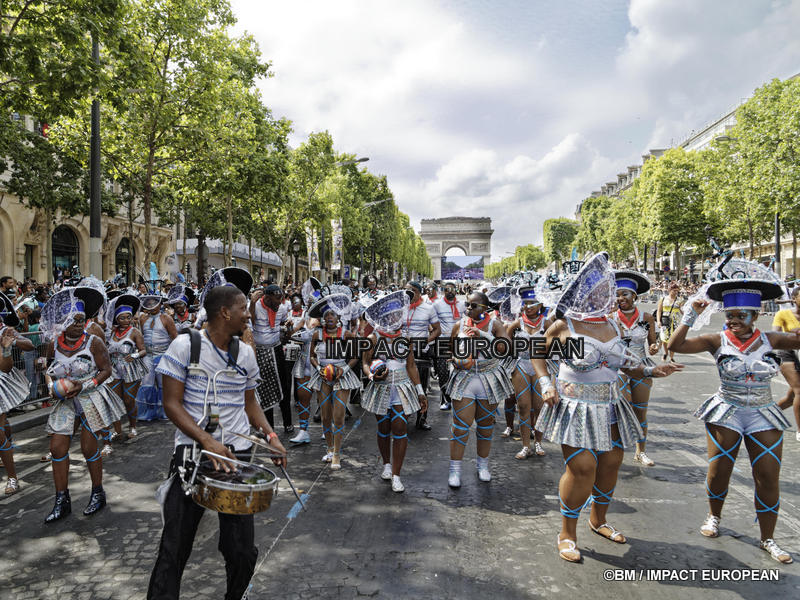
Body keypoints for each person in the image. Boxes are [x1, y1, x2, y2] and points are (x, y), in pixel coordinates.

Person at [533, 253, 681, 562]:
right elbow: (537, 352)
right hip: (574, 406)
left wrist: (652, 371)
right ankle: (567, 533)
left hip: (611, 404)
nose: (608, 296)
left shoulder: (611, 325)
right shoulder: (564, 324)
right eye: (602, 291)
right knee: (582, 467)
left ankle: (598, 520)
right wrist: (546, 384)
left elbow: (627, 364)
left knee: (612, 462)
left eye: (607, 291)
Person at [147, 284, 287, 600]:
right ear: (225, 312)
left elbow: (250, 403)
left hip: (236, 460)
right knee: (174, 548)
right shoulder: (184, 346)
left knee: (241, 552)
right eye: (243, 308)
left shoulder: (246, 353)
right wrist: (207, 440)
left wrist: (272, 436)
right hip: (193, 456)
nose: (249, 314)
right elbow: (171, 403)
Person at [668, 278, 797, 564]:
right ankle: (714, 516)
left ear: (756, 315)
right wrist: (691, 313)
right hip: (727, 411)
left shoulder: (770, 340)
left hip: (763, 412)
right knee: (719, 470)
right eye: (730, 315)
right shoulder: (716, 340)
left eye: (741, 315)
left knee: (767, 478)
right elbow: (675, 344)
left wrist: (796, 307)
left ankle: (768, 538)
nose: (734, 320)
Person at [40, 287, 126, 522]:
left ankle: (98, 493)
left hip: (90, 397)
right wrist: (50, 386)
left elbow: (106, 370)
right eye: (74, 320)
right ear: (63, 322)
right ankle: (61, 500)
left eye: (82, 319)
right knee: (57, 448)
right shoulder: (54, 344)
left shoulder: (94, 342)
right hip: (65, 401)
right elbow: (47, 368)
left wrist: (84, 385)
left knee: (89, 447)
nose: (79, 324)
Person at [361, 291, 427, 492]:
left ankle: (397, 475)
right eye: (390, 315)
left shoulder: (406, 338)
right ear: (384, 317)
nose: (394, 318)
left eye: (397, 314)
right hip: (380, 387)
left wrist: (420, 391)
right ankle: (386, 465)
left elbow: (412, 366)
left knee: (400, 428)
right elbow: (365, 363)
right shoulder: (373, 337)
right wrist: (372, 375)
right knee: (383, 428)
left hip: (401, 387)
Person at [446, 291, 513, 487]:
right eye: (467, 304)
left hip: (488, 379)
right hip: (465, 379)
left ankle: (482, 466)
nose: (468, 309)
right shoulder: (459, 325)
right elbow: (450, 347)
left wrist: (484, 335)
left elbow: (506, 348)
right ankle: (455, 470)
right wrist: (456, 361)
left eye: (473, 306)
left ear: (485, 308)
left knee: (485, 427)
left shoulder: (495, 325)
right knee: (460, 428)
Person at [610, 270, 660, 466]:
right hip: (618, 368)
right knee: (622, 409)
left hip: (641, 367)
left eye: (625, 294)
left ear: (635, 297)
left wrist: (655, 347)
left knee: (640, 410)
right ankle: (617, 450)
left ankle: (641, 451)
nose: (621, 298)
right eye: (618, 294)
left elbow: (652, 344)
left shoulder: (647, 317)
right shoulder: (610, 317)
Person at [307, 293, 362, 469]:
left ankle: (337, 454)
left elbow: (355, 357)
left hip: (341, 377)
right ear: (323, 319)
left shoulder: (346, 334)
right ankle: (329, 449)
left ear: (338, 317)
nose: (330, 318)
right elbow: (312, 357)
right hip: (323, 377)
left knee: (338, 417)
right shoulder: (317, 335)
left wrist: (343, 369)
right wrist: (318, 369)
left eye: (333, 315)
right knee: (325, 416)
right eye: (327, 315)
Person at [505, 286, 553, 458]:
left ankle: (538, 442)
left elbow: (556, 348)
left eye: (533, 303)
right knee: (524, 406)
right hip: (522, 365)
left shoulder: (547, 324)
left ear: (540, 305)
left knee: (540, 407)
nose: (529, 306)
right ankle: (526, 445)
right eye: (526, 303)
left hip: (540, 368)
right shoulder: (517, 324)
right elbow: (505, 345)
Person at [0, 292, 35, 495]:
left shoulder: (5, 330)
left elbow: (29, 345)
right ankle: (7, 444)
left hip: (2, 378)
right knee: (3, 427)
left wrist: (9, 345)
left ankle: (13, 478)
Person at [251, 283, 294, 433]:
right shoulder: (256, 307)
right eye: (276, 300)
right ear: (267, 298)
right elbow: (249, 320)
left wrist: (288, 324)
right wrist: (251, 302)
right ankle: (269, 427)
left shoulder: (281, 308)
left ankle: (288, 422)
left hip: (277, 350)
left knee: (284, 386)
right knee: (264, 390)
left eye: (281, 299)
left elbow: (284, 323)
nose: (279, 303)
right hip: (261, 352)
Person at [106, 294, 147, 440]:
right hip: (114, 369)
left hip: (130, 369)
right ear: (116, 319)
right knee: (114, 400)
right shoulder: (111, 332)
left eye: (128, 317)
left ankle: (133, 426)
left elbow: (143, 350)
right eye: (122, 318)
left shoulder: (134, 332)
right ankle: (117, 430)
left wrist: (135, 355)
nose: (126, 321)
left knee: (129, 400)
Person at [403, 281, 440, 430]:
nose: (408, 293)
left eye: (411, 290)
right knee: (404, 385)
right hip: (402, 351)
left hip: (421, 351)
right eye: (406, 290)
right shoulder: (400, 308)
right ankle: (402, 417)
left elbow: (437, 330)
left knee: (422, 386)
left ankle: (422, 418)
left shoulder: (428, 308)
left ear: (418, 293)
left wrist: (426, 341)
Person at [136, 294, 177, 421]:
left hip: (163, 355)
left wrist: (173, 356)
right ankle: (147, 412)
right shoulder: (143, 319)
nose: (152, 307)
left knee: (163, 384)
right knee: (147, 383)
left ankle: (164, 412)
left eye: (155, 303)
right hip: (148, 356)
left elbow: (174, 337)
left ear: (160, 304)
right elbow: (142, 336)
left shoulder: (167, 319)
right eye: (149, 304)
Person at [431, 282, 465, 411]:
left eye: (452, 289)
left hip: (459, 342)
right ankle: (446, 399)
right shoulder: (437, 305)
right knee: (443, 372)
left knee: (460, 370)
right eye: (447, 290)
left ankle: (459, 398)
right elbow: (432, 322)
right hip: (443, 341)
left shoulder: (462, 305)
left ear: (456, 290)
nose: (449, 292)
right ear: (443, 291)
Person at [773, 286, 800, 441]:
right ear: (794, 298)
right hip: (786, 353)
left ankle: (768, 414)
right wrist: (792, 334)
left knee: (792, 397)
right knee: (799, 390)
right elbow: (775, 335)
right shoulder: (783, 314)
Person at [656, 282, 683, 362]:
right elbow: (659, 311)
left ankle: (671, 357)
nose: (676, 292)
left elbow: (682, 311)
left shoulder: (679, 300)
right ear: (669, 290)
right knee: (664, 339)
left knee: (673, 339)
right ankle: (665, 353)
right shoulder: (663, 299)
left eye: (677, 291)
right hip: (665, 321)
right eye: (674, 290)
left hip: (675, 322)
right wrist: (658, 321)